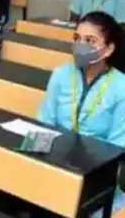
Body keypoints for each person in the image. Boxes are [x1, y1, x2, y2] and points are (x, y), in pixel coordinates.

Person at [37, 12, 125, 216]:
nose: (80, 45)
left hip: (96, 172)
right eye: (77, 38)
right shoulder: (61, 74)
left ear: (109, 49)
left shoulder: (122, 87)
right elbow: (44, 123)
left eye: (90, 40)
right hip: (56, 162)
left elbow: (118, 148)